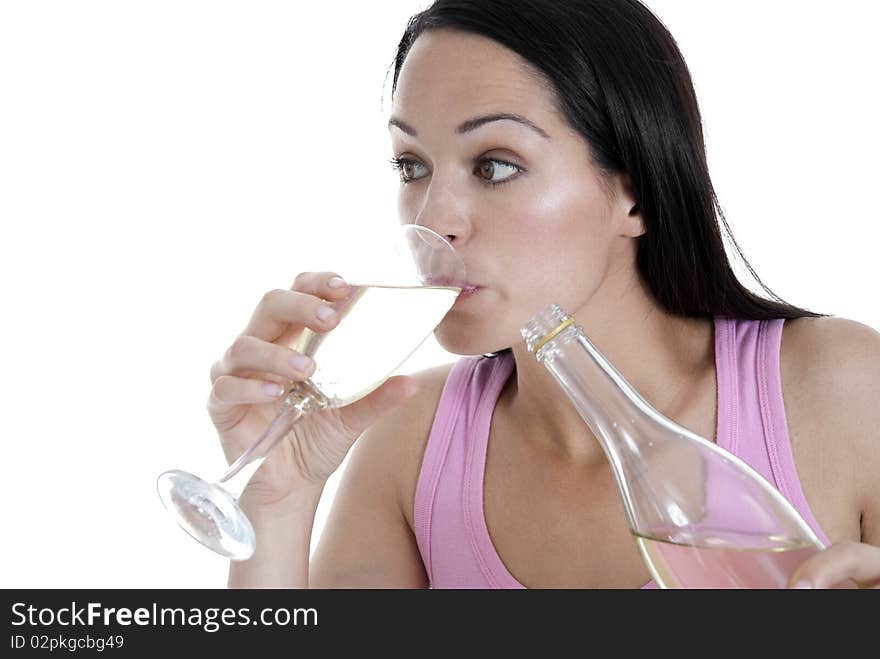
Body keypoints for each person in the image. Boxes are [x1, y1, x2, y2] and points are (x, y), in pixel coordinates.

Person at [209, 0, 880, 588]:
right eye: (412, 166)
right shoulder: (408, 445)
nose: (433, 217)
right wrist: (278, 497)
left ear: (634, 192)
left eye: (495, 165)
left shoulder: (842, 389)